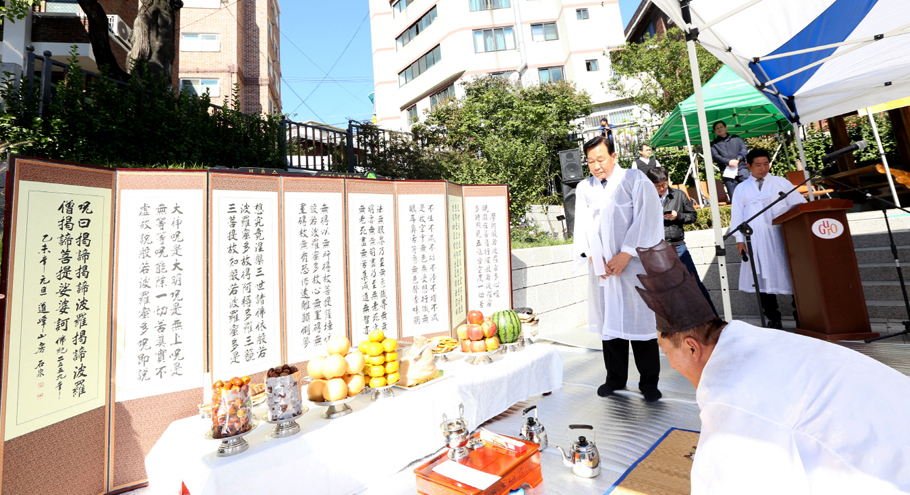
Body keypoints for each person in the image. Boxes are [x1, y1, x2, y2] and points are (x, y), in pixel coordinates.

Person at [634, 240, 910, 495]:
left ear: (692, 348)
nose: (669, 363)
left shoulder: (734, 398)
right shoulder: (759, 338)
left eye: (666, 352)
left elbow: (722, 484)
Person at [573, 135, 664, 402]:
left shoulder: (634, 180)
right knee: (609, 324)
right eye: (590, 161)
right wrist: (591, 257)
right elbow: (581, 227)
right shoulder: (584, 188)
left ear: (614, 156)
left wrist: (627, 252)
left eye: (601, 159)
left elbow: (647, 217)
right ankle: (615, 378)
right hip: (602, 270)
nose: (596, 165)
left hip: (633, 265)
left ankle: (649, 382)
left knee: (641, 324)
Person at [729, 148, 805, 329]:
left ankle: (800, 315)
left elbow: (801, 205)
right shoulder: (741, 188)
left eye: (766, 164)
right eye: (758, 165)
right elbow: (737, 215)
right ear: (748, 166)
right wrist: (739, 239)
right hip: (756, 239)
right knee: (761, 277)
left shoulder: (781, 183)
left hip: (781, 237)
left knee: (792, 274)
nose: (763, 168)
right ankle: (773, 317)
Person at [645, 166, 717, 315]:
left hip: (678, 246)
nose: (662, 188)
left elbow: (693, 216)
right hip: (656, 249)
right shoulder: (645, 198)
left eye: (664, 184)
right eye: (657, 186)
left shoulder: (678, 194)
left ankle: (712, 317)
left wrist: (678, 216)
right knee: (664, 288)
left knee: (694, 282)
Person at [710, 121, 749, 201]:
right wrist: (728, 162)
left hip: (741, 167)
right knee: (734, 195)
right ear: (714, 131)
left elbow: (744, 149)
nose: (719, 129)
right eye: (717, 128)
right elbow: (715, 156)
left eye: (721, 127)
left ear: (726, 128)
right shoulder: (713, 144)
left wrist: (738, 159)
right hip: (726, 170)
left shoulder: (736, 138)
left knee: (749, 190)